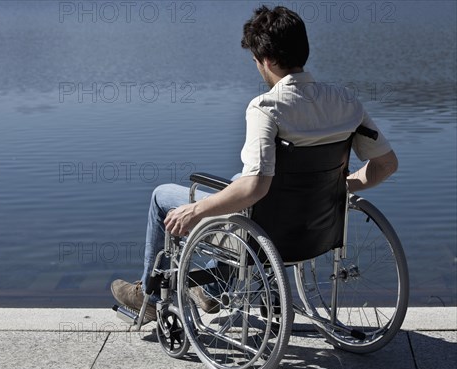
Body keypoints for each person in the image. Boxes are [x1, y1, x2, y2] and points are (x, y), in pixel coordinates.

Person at [111, 5, 398, 321]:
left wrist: (195, 210)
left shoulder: (267, 107)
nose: (257, 69)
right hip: (318, 230)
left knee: (162, 196)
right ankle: (211, 288)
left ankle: (149, 297)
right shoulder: (346, 101)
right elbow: (384, 164)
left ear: (270, 60)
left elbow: (255, 186)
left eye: (256, 61)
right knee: (240, 177)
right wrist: (337, 186)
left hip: (267, 234)